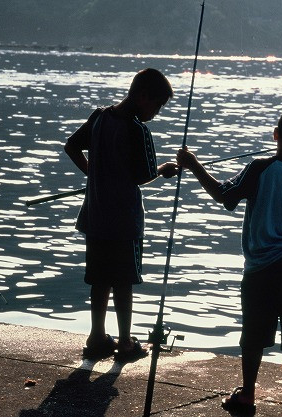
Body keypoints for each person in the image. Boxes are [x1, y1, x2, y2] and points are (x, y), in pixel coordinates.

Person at [176, 105, 282, 415]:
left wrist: (193, 163)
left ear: (276, 135)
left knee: (253, 331)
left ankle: (247, 395)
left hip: (260, 266)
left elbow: (224, 194)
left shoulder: (260, 168)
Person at [64, 68, 179, 362]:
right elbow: (143, 176)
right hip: (124, 222)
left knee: (100, 279)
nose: (156, 112)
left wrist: (93, 174)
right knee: (124, 280)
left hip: (95, 216)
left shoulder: (100, 116)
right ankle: (126, 342)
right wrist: (164, 170)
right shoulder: (137, 129)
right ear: (143, 97)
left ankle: (96, 337)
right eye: (157, 105)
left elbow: (72, 146)